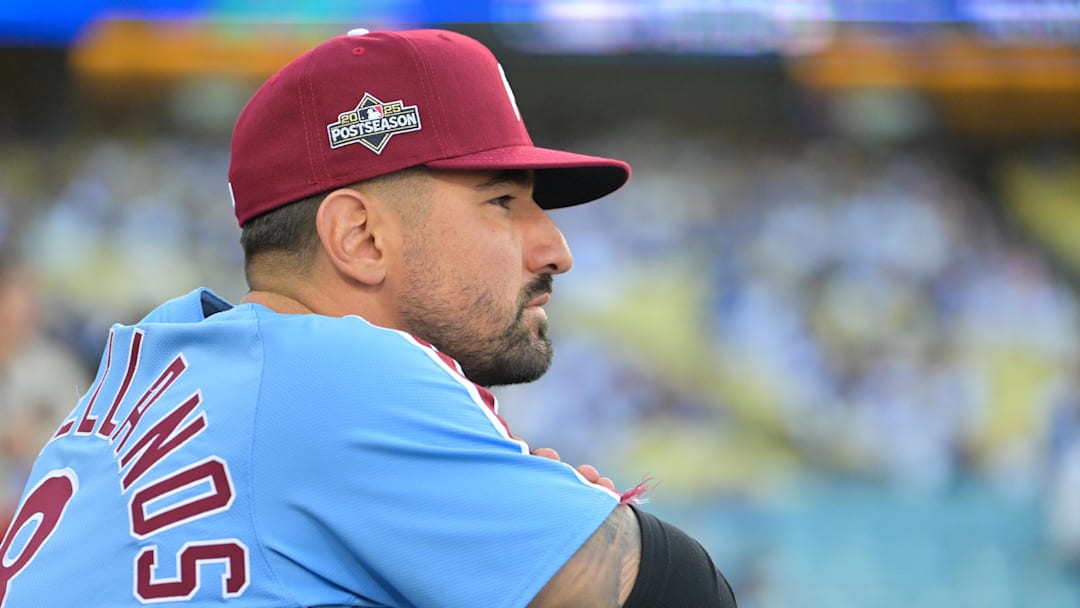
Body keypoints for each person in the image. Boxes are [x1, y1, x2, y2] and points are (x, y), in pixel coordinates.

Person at [0, 28, 736, 607]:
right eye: (502, 201)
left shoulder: (151, 364)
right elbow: (691, 596)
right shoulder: (331, 373)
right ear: (361, 238)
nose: (556, 247)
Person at [0, 246, 90, 532]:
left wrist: (35, 441)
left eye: (31, 292)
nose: (28, 303)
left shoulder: (56, 366)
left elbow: (87, 442)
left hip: (38, 521)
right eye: (18, 291)